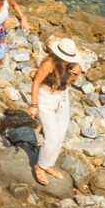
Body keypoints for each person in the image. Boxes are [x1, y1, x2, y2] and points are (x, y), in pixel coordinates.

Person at [30, 37, 82, 186]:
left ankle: (48, 164)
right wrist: (33, 105)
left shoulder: (73, 64)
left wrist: (74, 74)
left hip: (62, 97)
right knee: (52, 136)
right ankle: (39, 166)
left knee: (61, 134)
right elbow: (36, 82)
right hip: (46, 97)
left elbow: (69, 82)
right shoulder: (49, 64)